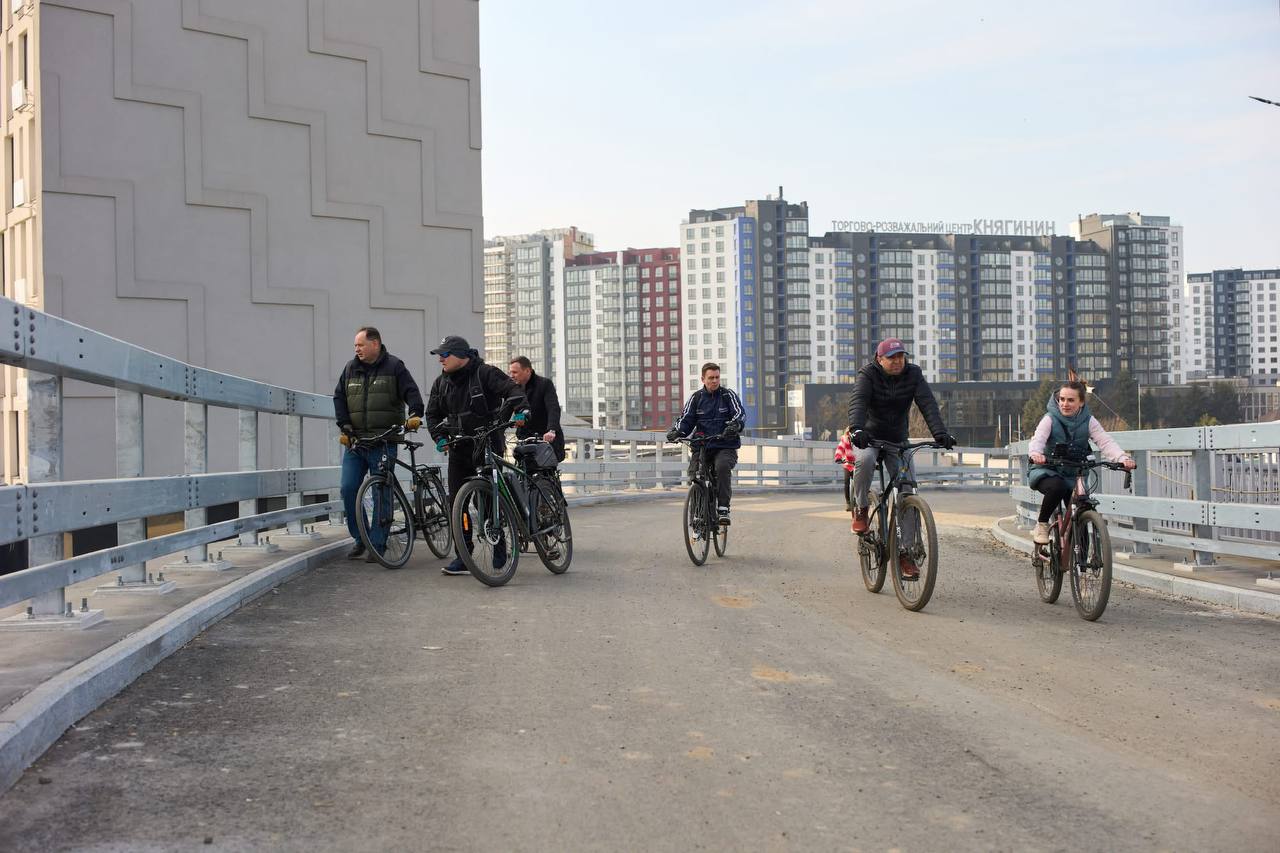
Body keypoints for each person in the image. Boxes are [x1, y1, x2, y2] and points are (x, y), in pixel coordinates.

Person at [847, 338, 957, 578]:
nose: (898, 361)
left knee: (908, 490)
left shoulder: (913, 374)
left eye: (901, 356)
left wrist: (940, 433)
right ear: (879, 359)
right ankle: (862, 507)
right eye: (892, 357)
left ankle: (906, 553)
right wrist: (857, 429)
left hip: (898, 440)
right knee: (865, 461)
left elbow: (928, 404)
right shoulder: (867, 375)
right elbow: (858, 403)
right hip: (869, 437)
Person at [425, 335, 528, 575]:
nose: (440, 359)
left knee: (489, 500)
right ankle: (463, 555)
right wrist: (439, 438)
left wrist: (521, 409)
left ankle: (499, 545)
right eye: (439, 355)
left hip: (488, 443)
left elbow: (512, 390)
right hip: (459, 447)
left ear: (461, 356)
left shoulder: (485, 373)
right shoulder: (441, 383)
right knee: (456, 503)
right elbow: (432, 415)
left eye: (445, 354)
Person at [333, 326, 424, 561]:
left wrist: (415, 413)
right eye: (355, 346)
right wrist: (345, 425)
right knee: (348, 488)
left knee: (380, 490)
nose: (357, 349)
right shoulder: (350, 368)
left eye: (360, 345)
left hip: (384, 441)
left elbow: (412, 392)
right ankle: (361, 538)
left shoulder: (394, 366)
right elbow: (339, 397)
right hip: (356, 442)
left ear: (375, 344)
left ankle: (377, 544)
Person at [1027, 380, 1135, 545]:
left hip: (1073, 472)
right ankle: (1042, 525)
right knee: (1057, 487)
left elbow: (1105, 441)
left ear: (1081, 402)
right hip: (1047, 470)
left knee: (1081, 507)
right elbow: (1038, 439)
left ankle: (1082, 557)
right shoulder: (1049, 419)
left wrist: (1122, 458)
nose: (1065, 404)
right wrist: (1036, 454)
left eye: (1071, 400)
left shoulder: (1089, 421)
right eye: (1062, 399)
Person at [666, 363, 745, 525]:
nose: (714, 381)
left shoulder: (728, 395)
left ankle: (723, 508)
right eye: (711, 378)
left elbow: (739, 413)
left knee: (722, 467)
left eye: (717, 377)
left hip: (725, 445)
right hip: (702, 445)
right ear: (703, 379)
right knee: (695, 474)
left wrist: (735, 425)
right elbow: (686, 420)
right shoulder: (696, 398)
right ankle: (697, 515)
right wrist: (677, 432)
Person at [508, 356, 565, 463]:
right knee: (521, 468)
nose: (511, 376)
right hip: (524, 438)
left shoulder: (544, 384)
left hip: (544, 437)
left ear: (527, 371)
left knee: (544, 469)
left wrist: (551, 430)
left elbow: (553, 408)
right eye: (510, 372)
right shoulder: (513, 389)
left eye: (515, 372)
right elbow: (509, 410)